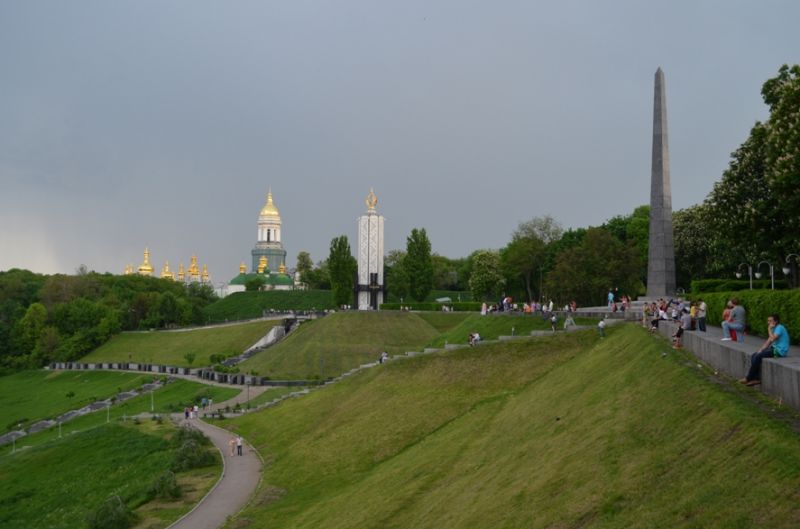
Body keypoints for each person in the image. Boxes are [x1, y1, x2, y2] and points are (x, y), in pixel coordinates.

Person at [740, 314, 790, 386]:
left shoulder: (779, 328)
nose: (768, 322)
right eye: (768, 321)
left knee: (758, 356)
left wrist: (769, 329)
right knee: (755, 355)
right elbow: (768, 342)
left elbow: (772, 339)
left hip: (779, 351)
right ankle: (756, 379)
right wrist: (760, 350)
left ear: (775, 321)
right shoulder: (774, 328)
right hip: (774, 348)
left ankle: (748, 378)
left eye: (770, 321)